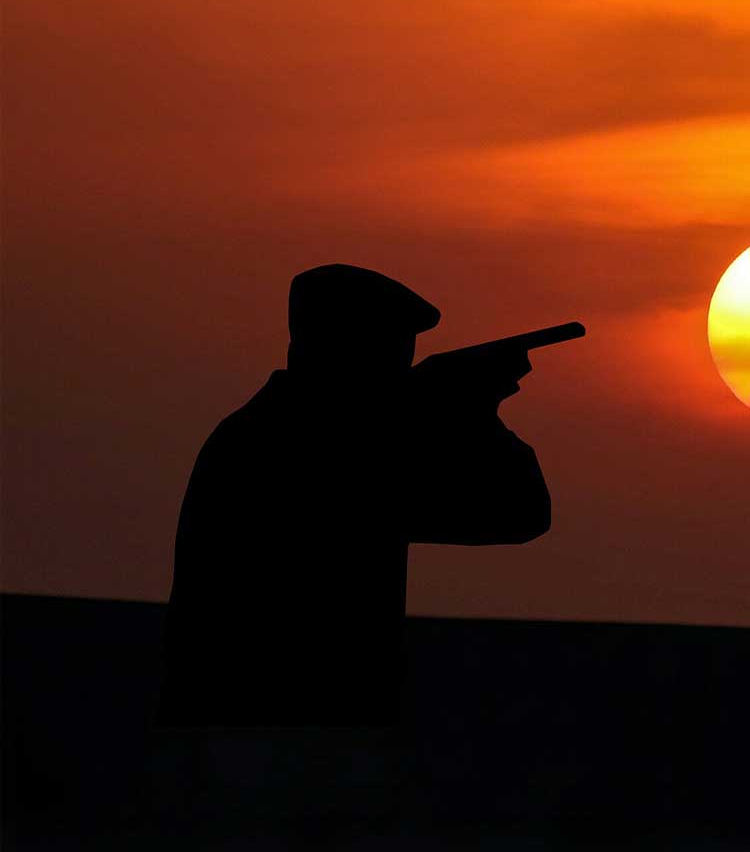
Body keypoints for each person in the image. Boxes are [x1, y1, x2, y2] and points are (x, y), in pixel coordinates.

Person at [151, 263, 551, 834]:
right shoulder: (307, 447)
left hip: (267, 727)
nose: (399, 369)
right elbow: (516, 512)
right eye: (390, 351)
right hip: (278, 734)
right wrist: (475, 412)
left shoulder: (268, 434)